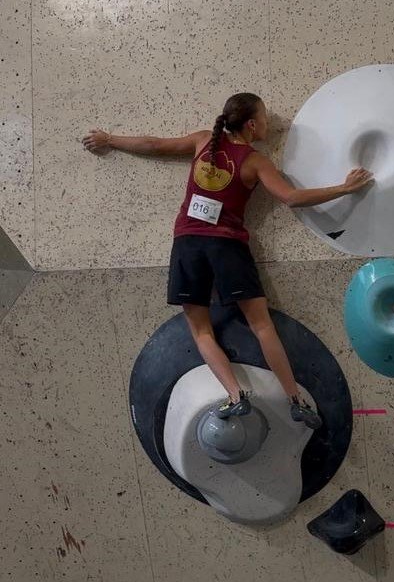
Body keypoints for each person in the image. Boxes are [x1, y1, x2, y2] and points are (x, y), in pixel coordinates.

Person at [83, 93, 373, 428]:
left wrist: (110, 140)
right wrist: (345, 188)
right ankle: (295, 400)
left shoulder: (202, 141)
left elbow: (154, 143)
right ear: (251, 124)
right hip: (228, 247)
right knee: (262, 326)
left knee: (201, 330)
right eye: (265, 118)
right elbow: (291, 198)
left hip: (189, 244)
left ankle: (236, 396)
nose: (269, 124)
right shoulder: (255, 161)